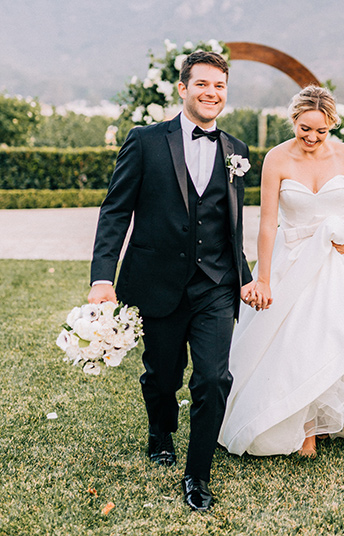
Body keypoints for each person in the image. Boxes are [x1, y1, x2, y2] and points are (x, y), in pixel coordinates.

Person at [88, 51, 256, 511]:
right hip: (157, 282)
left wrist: (244, 278)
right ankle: (160, 432)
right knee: (163, 377)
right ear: (182, 89)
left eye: (220, 86)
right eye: (202, 84)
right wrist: (103, 277)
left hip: (215, 285)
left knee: (214, 378)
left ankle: (197, 474)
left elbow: (230, 224)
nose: (212, 93)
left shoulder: (237, 151)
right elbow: (116, 211)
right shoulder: (144, 141)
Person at [219, 85, 344, 458]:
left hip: (340, 257)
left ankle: (326, 421)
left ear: (332, 125)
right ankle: (303, 428)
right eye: (304, 128)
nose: (311, 137)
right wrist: (263, 277)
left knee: (336, 333)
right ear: (293, 120)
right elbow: (267, 222)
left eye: (320, 131)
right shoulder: (276, 159)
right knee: (296, 339)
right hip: (291, 257)